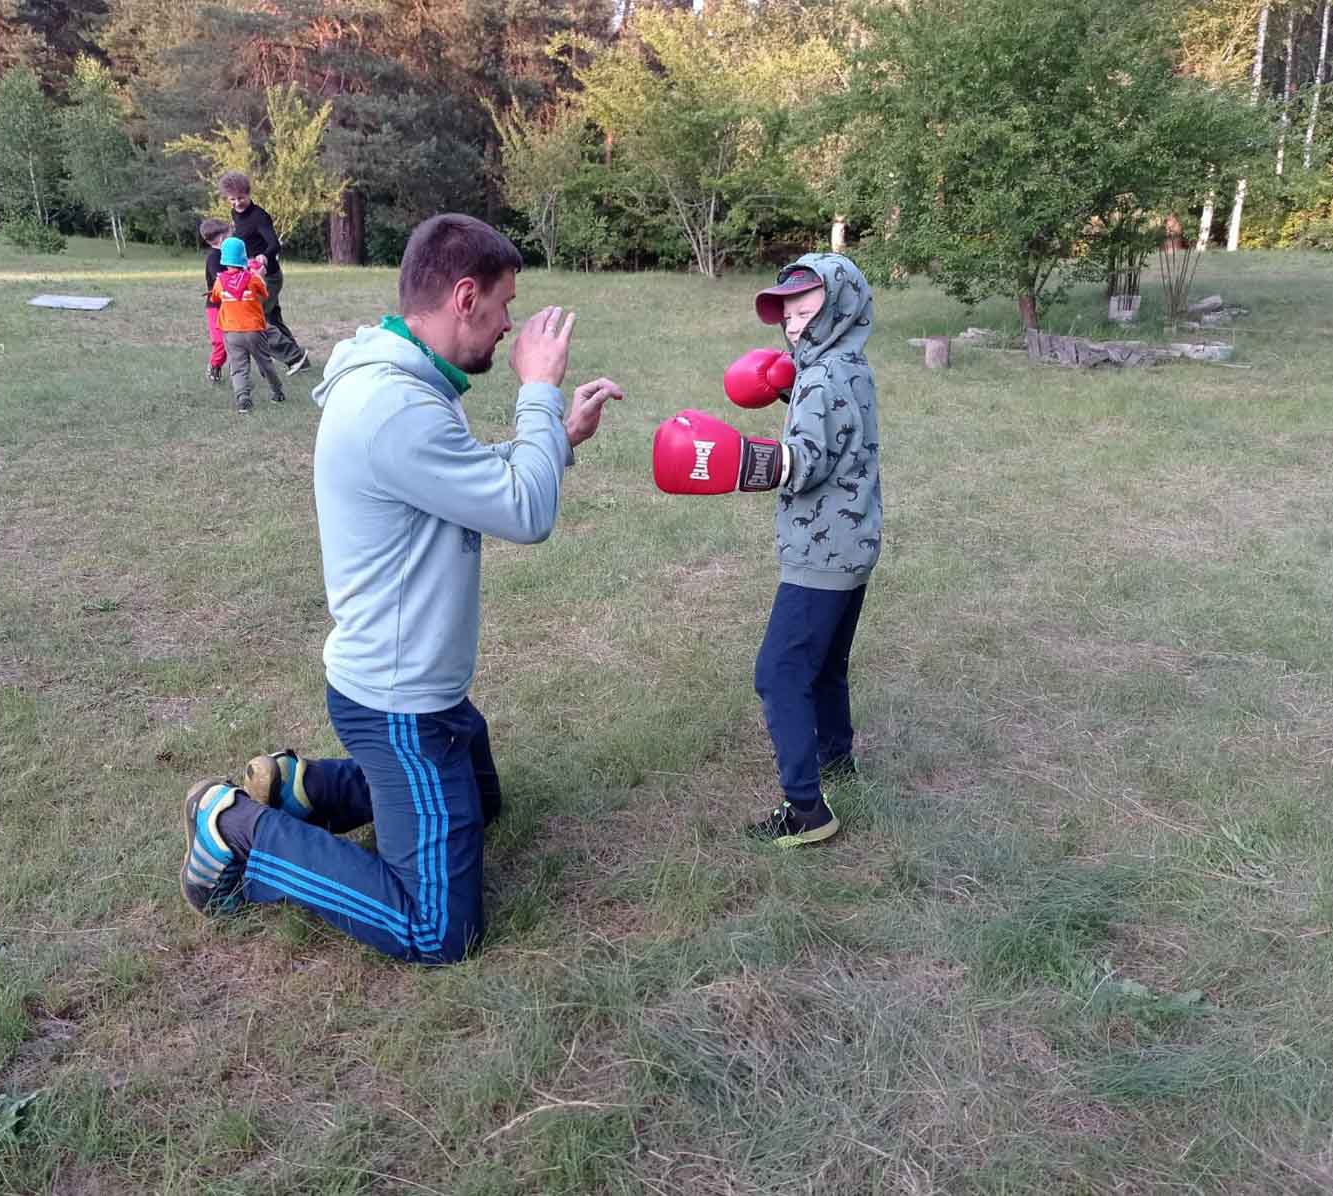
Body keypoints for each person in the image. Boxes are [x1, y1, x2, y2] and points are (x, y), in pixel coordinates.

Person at [179, 213, 623, 963]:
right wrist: (540, 395)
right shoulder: (393, 405)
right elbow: (524, 512)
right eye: (504, 306)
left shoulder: (408, 383)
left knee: (480, 804)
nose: (509, 326)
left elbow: (461, 478)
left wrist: (558, 440)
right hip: (399, 704)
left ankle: (302, 788)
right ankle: (237, 830)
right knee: (437, 929)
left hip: (426, 689)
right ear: (464, 297)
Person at [650, 255, 881, 847]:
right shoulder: (847, 364)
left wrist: (729, 459)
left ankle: (807, 810)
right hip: (854, 544)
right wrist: (786, 390)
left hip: (820, 553)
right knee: (824, 665)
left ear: (840, 309)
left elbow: (803, 464)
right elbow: (839, 429)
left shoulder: (822, 380)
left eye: (807, 313)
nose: (794, 327)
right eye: (788, 316)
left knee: (779, 674)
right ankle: (837, 762)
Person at [219, 171, 312, 376]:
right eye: (232, 199)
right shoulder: (235, 213)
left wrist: (264, 255)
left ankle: (294, 358)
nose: (237, 203)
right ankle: (300, 360)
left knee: (253, 320)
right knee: (273, 319)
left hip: (268, 277)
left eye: (241, 198)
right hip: (253, 276)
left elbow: (274, 244)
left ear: (248, 194)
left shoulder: (259, 216)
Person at [210, 236, 284, 413]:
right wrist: (259, 276)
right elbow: (265, 294)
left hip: (231, 331)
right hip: (254, 330)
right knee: (265, 362)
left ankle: (243, 399)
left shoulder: (220, 281)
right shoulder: (253, 279)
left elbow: (214, 298)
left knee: (238, 366)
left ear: (224, 260)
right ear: (243, 257)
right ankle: (277, 392)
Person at [199, 217, 230, 385]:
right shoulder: (213, 257)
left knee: (233, 341)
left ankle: (238, 371)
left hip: (231, 305)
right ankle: (214, 365)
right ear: (221, 237)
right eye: (229, 234)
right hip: (215, 306)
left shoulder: (229, 254)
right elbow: (221, 280)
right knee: (220, 342)